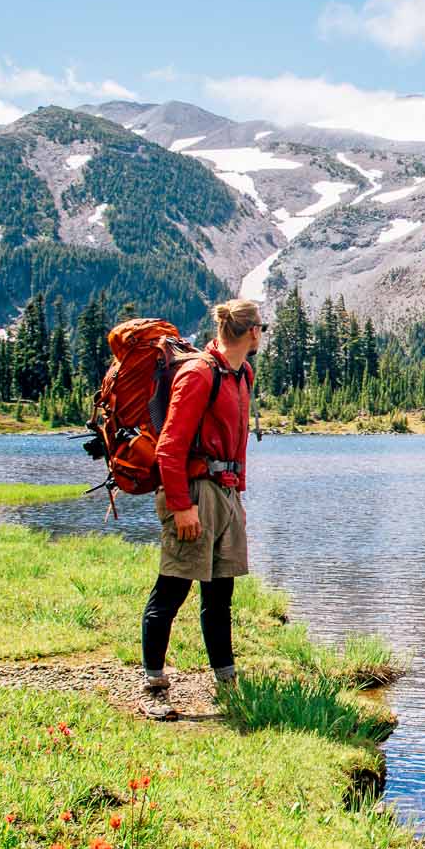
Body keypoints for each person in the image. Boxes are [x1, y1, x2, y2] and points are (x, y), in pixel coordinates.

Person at [140, 298, 262, 716]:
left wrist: (237, 493)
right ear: (252, 332)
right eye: (260, 328)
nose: (261, 335)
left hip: (225, 493)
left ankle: (226, 682)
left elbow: (237, 442)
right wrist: (181, 506)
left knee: (220, 592)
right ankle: (153, 685)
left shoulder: (241, 373)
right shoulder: (198, 374)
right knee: (173, 588)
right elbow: (169, 447)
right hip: (193, 493)